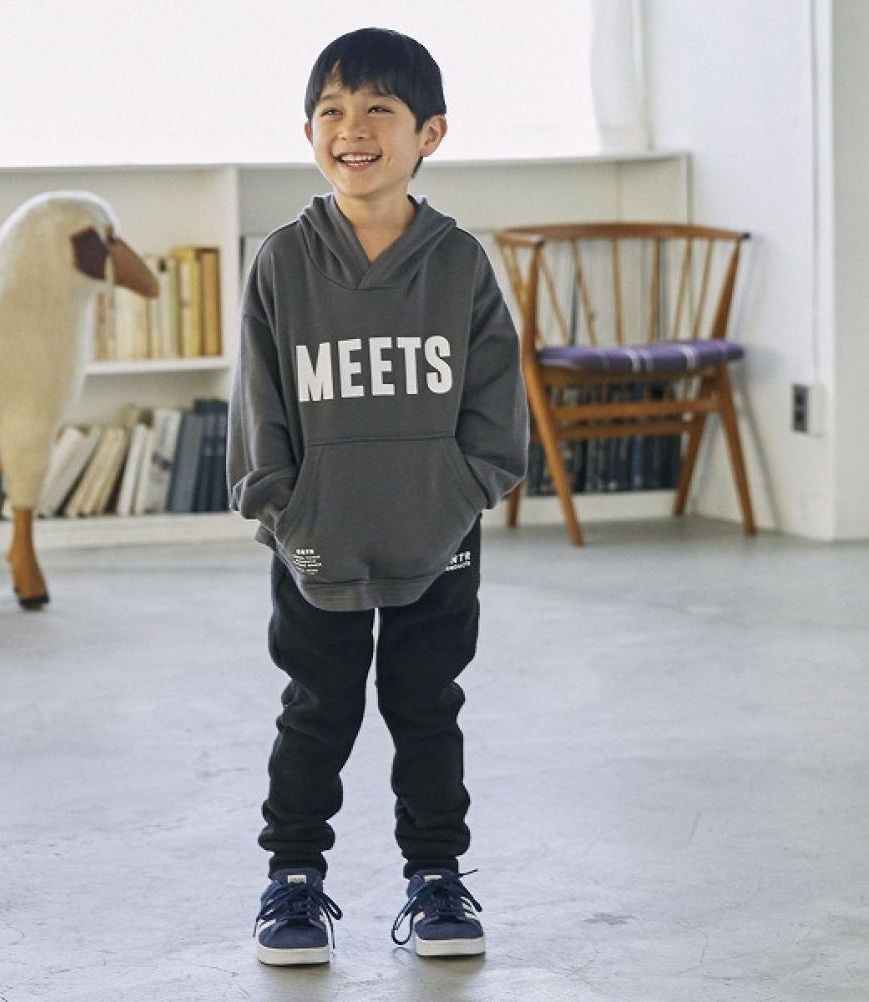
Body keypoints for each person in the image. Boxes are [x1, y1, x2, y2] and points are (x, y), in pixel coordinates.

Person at [227, 26, 528, 966]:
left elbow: (496, 410)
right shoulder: (283, 261)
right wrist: (287, 511)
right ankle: (292, 881)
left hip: (439, 538)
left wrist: (456, 497)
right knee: (316, 707)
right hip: (317, 539)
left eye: (377, 109)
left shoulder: (459, 262)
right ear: (308, 132)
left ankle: (436, 878)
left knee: (427, 705)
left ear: (429, 133)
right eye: (331, 110)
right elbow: (258, 406)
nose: (351, 129)